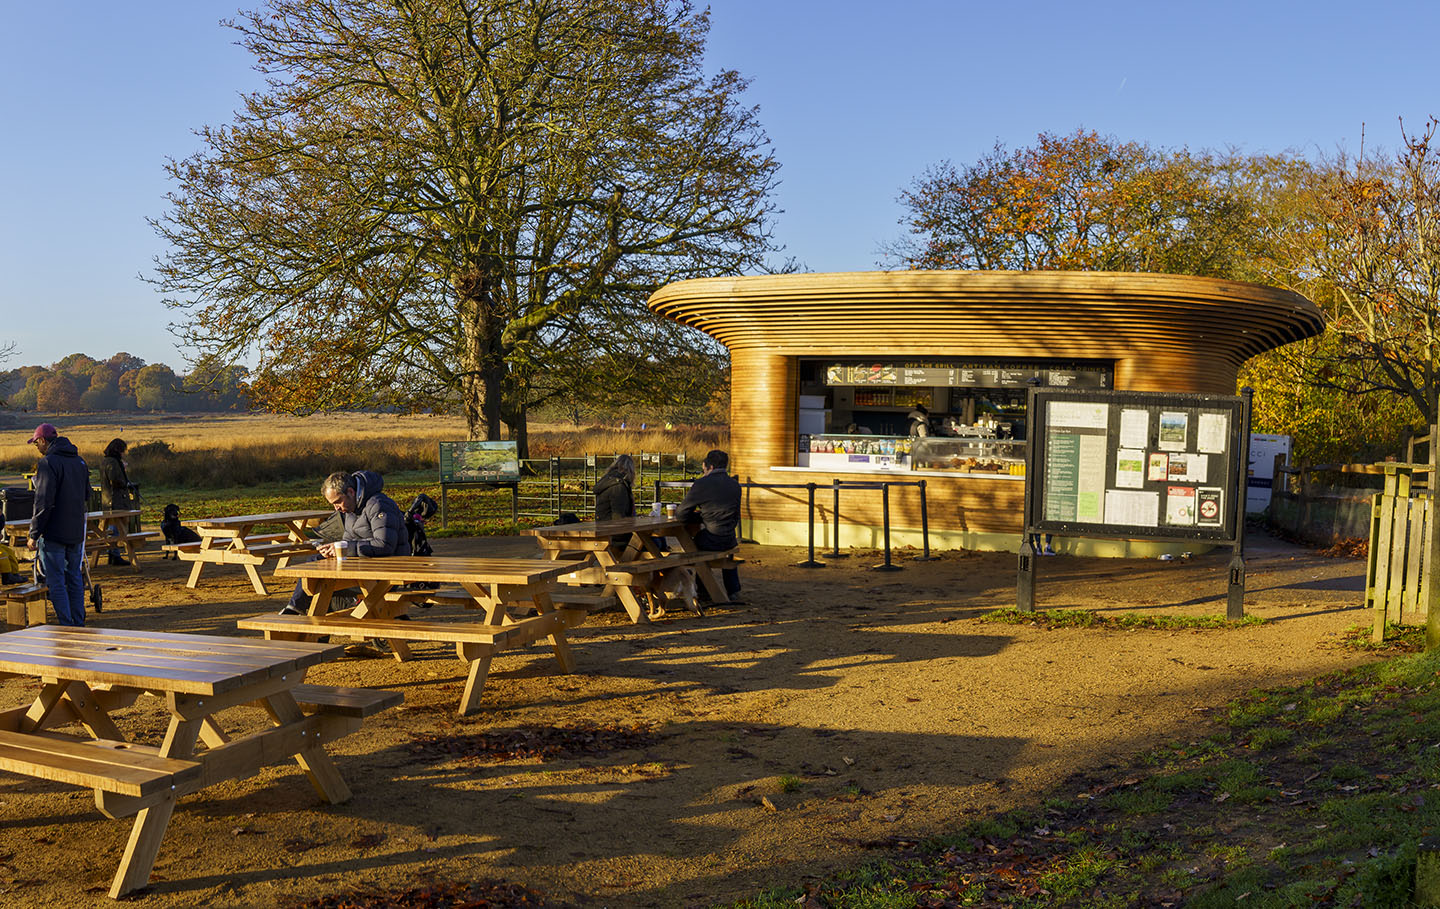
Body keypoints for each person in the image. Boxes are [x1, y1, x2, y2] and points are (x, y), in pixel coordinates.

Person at [279, 469, 410, 615]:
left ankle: (296, 610)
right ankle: (297, 610)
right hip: (364, 566)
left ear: (351, 492)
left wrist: (346, 548)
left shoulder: (379, 505)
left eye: (338, 502)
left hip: (385, 572)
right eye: (333, 504)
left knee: (323, 584)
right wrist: (333, 550)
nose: (336, 508)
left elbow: (384, 545)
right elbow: (348, 540)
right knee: (317, 563)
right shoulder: (350, 509)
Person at [25, 423, 90, 626]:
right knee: (75, 578)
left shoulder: (48, 463)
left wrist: (34, 533)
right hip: (76, 530)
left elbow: (43, 502)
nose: (37, 447)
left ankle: (66, 624)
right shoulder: (80, 461)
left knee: (56, 581)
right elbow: (87, 494)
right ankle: (78, 622)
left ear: (42, 440)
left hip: (54, 532)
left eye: (36, 443)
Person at [677, 448, 742, 602]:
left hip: (711, 538)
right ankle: (733, 590)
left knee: (693, 547)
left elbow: (682, 514)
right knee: (726, 551)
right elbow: (733, 514)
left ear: (710, 466)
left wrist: (698, 516)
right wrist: (704, 515)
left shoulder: (702, 484)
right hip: (730, 538)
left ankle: (704, 591)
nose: (703, 472)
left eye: (704, 469)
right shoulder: (735, 485)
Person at [98, 437, 134, 566]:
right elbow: (114, 479)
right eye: (122, 450)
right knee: (115, 529)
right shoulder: (112, 462)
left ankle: (113, 553)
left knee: (112, 528)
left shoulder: (106, 461)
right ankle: (114, 554)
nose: (123, 453)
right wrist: (124, 482)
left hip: (109, 499)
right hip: (114, 500)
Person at [593, 454, 636, 522]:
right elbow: (618, 514)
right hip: (611, 525)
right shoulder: (618, 486)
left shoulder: (608, 480)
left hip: (602, 522)